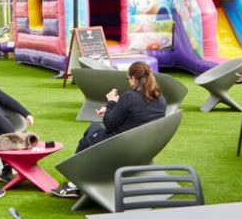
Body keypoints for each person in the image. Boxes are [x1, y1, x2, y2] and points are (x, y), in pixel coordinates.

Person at [53, 60, 168, 198]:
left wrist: (111, 102)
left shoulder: (129, 97)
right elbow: (136, 116)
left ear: (133, 78)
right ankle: (77, 182)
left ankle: (73, 184)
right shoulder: (161, 100)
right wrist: (111, 109)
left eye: (128, 79)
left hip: (118, 146)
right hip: (144, 147)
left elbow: (109, 124)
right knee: (94, 131)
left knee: (90, 133)